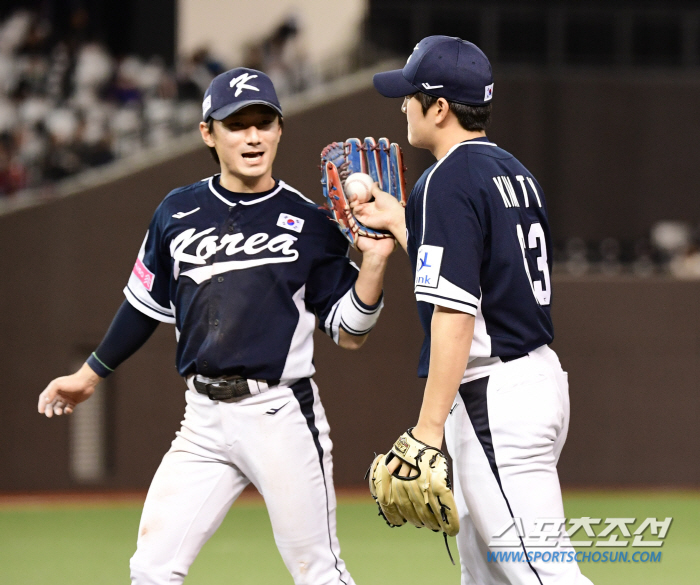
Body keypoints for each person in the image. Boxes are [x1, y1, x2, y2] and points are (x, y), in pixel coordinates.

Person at [38, 67, 395, 585]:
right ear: (209, 132)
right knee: (152, 568)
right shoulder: (176, 212)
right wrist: (89, 376)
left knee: (318, 571)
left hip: (279, 415)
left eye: (264, 122)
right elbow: (144, 306)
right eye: (236, 124)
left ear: (279, 129)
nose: (252, 136)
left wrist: (377, 263)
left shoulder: (314, 223)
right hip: (202, 420)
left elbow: (350, 331)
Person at [351, 37, 593, 584]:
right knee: (486, 577)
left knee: (544, 575)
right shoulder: (512, 172)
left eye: (411, 95)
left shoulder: (447, 179)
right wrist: (404, 223)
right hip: (531, 381)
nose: (404, 105)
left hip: (494, 400)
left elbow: (456, 315)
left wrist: (427, 430)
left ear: (439, 108)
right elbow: (476, 276)